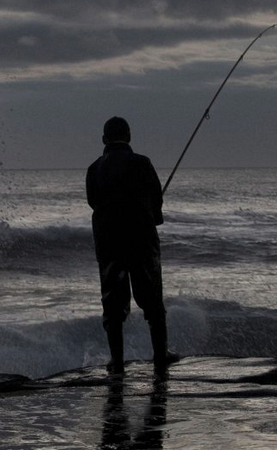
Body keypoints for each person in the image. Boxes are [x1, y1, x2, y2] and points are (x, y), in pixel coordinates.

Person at [86, 116, 178, 374]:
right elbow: (156, 203)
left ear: (104, 139)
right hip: (141, 241)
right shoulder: (142, 163)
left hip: (108, 244)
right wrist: (152, 217)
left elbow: (93, 203)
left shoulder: (94, 169)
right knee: (152, 303)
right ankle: (160, 356)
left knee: (113, 305)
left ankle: (117, 361)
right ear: (129, 137)